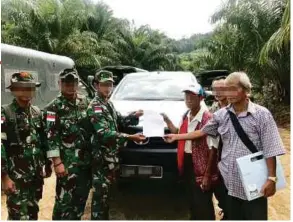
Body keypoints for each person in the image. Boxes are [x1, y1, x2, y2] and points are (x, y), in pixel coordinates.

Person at [164, 72, 286, 220]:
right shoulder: (221, 115)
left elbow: (270, 147)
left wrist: (272, 178)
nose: (229, 93)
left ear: (246, 90)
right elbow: (201, 132)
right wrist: (176, 136)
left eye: (233, 89)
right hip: (229, 182)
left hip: (255, 182)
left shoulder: (262, 115)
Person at [87, 70, 146, 220]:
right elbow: (104, 133)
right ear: (96, 86)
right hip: (101, 159)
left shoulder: (108, 103)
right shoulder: (95, 106)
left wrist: (133, 115)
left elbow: (119, 120)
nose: (107, 88)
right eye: (104, 85)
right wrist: (131, 137)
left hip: (111, 158)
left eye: (110, 85)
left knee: (107, 196)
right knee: (100, 196)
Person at [162, 83, 219, 220]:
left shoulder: (208, 118)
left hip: (202, 165)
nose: (188, 99)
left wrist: (207, 174)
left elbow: (213, 149)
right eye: (186, 96)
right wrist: (167, 120)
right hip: (187, 161)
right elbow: (178, 133)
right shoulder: (186, 115)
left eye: (192, 96)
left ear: (201, 98)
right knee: (192, 199)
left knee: (203, 201)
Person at [1, 72, 52, 220]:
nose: (26, 92)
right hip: (16, 178)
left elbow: (44, 141)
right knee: (18, 216)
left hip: (35, 178)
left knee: (33, 213)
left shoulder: (37, 112)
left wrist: (48, 164)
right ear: (13, 90)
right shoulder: (5, 113)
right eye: (21, 88)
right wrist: (4, 177)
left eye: (30, 88)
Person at [44, 68, 92, 220]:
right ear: (60, 84)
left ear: (78, 83)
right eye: (67, 82)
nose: (70, 86)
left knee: (81, 198)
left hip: (85, 161)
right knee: (64, 201)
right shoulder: (53, 107)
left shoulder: (85, 102)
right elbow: (51, 136)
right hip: (67, 162)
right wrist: (57, 162)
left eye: (73, 82)